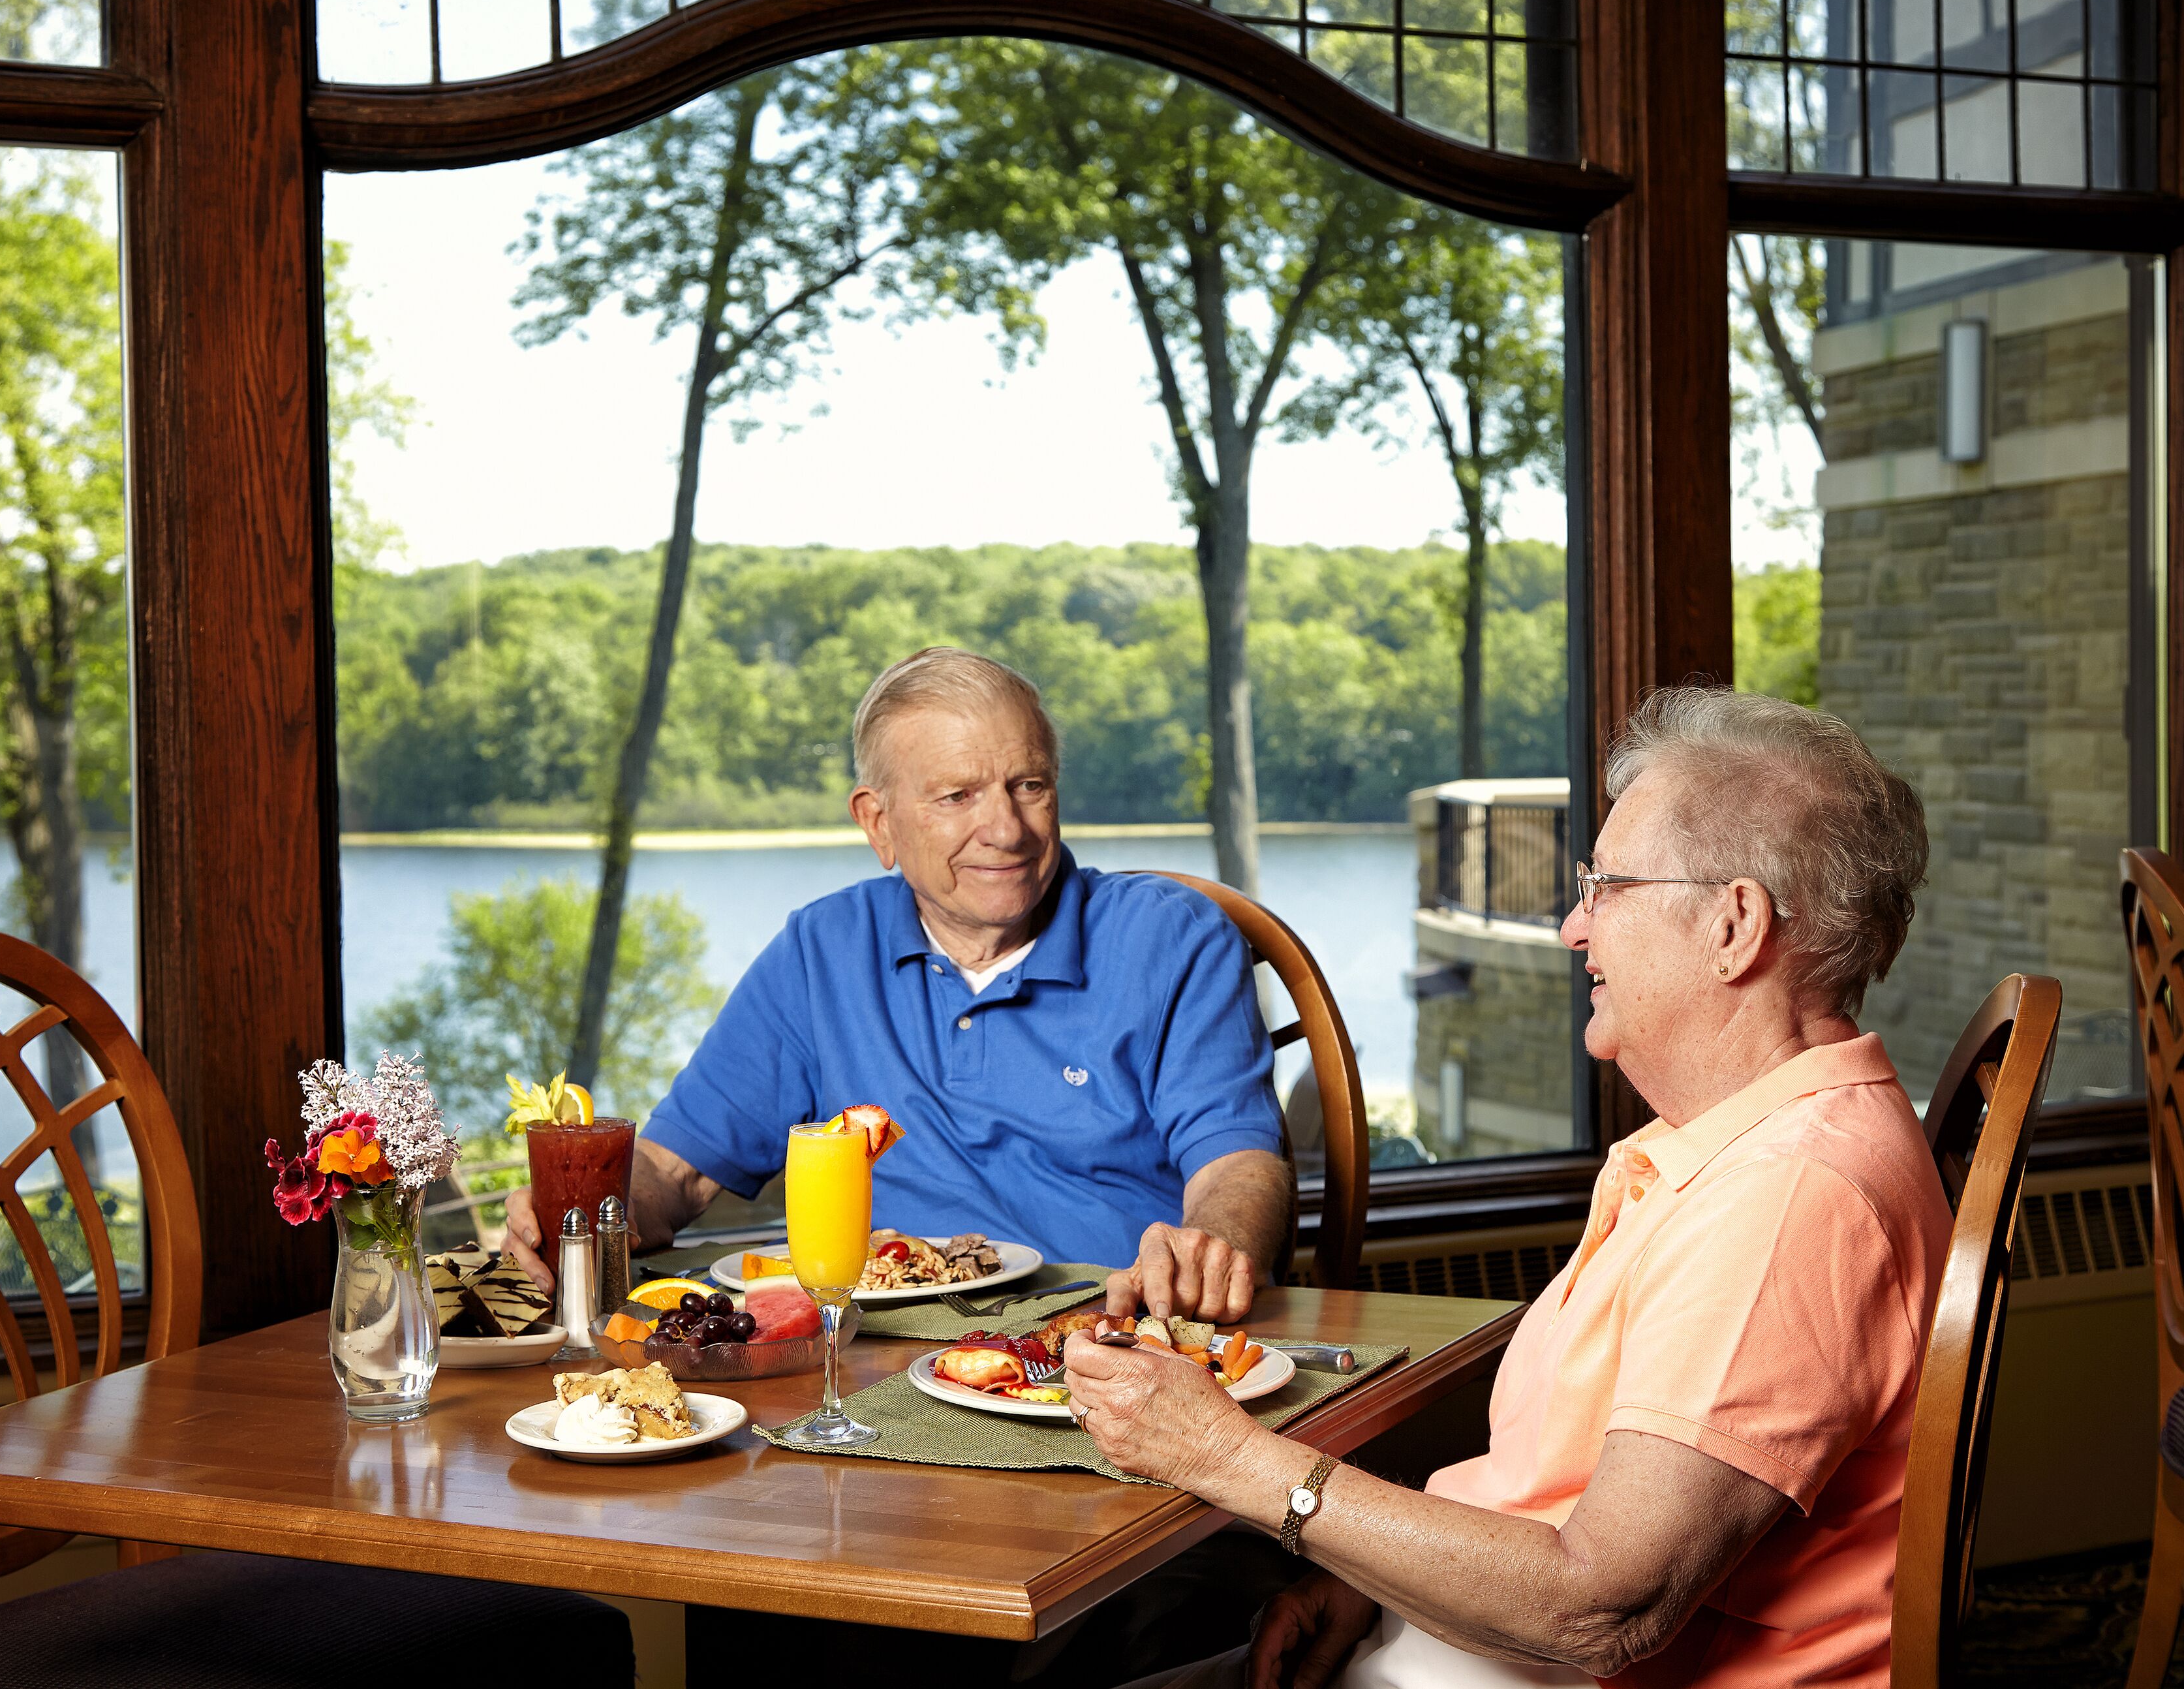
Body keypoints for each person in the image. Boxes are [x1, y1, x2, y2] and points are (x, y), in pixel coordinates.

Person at [1064, 685, 1948, 1688]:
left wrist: (1229, 1460)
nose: (1575, 927)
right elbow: (1560, 1496)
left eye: (1607, 886)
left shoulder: (1788, 1194)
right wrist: (1378, 1587)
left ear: (1734, 925)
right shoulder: (1725, 1146)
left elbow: (1603, 1605)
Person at [504, 646, 1295, 1321]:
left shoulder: (1171, 937)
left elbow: (1239, 1165)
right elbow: (674, 1171)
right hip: (871, 1358)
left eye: (1030, 785)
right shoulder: (821, 950)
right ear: (878, 822)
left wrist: (1209, 1246)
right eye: (957, 796)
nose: (1007, 829)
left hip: (1109, 1340)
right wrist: (580, 1213)